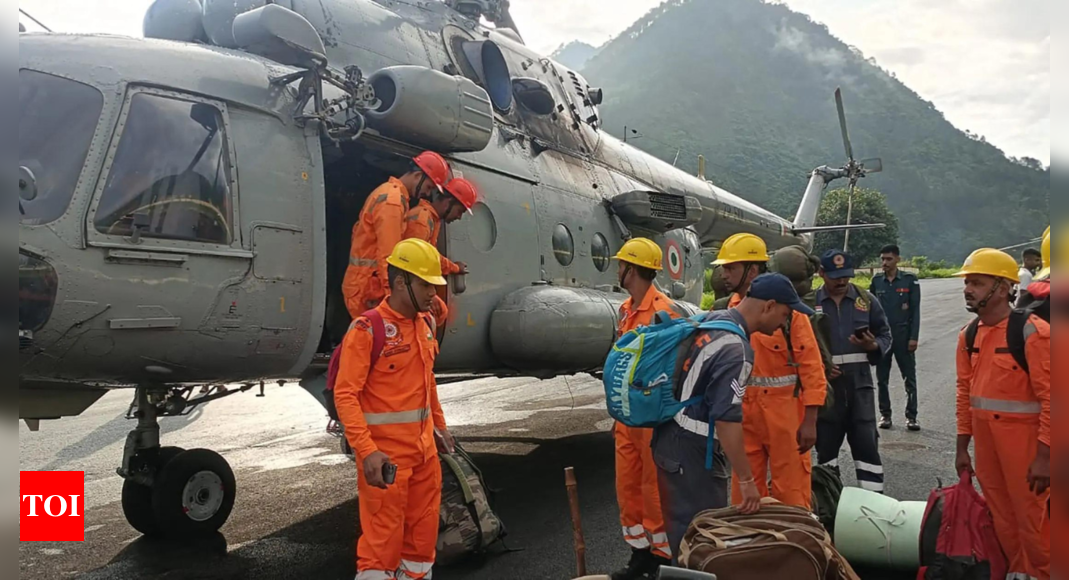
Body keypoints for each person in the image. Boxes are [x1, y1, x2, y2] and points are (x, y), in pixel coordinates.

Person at [654, 273, 814, 562]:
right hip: (693, 450)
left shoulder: (713, 320)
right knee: (702, 538)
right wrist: (746, 479)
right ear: (769, 305)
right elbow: (726, 418)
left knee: (683, 533)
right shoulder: (736, 348)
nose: (784, 322)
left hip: (670, 440)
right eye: (785, 313)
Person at [334, 239, 456, 580]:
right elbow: (346, 396)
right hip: (385, 461)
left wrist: (441, 427)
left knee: (420, 548)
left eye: (435, 285)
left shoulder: (425, 325)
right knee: (380, 551)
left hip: (425, 457)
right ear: (401, 282)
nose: (434, 293)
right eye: (426, 285)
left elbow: (427, 381)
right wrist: (367, 451)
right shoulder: (366, 329)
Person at [954, 248, 1050, 580]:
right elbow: (964, 394)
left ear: (1004, 287)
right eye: (967, 283)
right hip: (987, 444)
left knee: (1035, 519)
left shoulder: (1032, 333)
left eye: (977, 283)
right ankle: (1019, 572)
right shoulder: (968, 336)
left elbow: (1054, 399)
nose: (968, 289)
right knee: (1001, 515)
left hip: (1025, 445)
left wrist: (1046, 456)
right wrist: (961, 447)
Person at [713, 234, 826, 510]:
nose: (724, 275)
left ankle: (794, 544)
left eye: (731, 268)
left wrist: (810, 419)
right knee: (745, 490)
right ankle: (753, 545)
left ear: (752, 269)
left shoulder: (790, 313)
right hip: (743, 413)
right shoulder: (727, 312)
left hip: (785, 414)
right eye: (724, 268)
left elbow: (812, 366)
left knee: (792, 490)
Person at [609, 238, 680, 580]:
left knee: (654, 489)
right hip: (626, 417)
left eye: (621, 264)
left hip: (651, 418)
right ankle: (638, 553)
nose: (617, 269)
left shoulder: (665, 311)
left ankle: (662, 556)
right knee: (628, 487)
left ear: (631, 269)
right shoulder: (625, 311)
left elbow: (679, 365)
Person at [814, 250, 893, 494]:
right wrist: (820, 370)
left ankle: (873, 503)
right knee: (826, 451)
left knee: (866, 447)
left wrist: (873, 346)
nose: (841, 282)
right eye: (836, 277)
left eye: (846, 277)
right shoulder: (811, 304)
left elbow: (886, 335)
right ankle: (830, 504)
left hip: (860, 389)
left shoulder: (866, 301)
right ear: (822, 273)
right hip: (827, 392)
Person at [342, 152, 452, 318]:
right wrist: (392, 298)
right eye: (428, 187)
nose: (427, 193)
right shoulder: (392, 202)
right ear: (417, 176)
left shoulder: (392, 195)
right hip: (368, 289)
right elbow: (389, 254)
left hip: (365, 285)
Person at [403, 176, 478, 329]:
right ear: (448, 202)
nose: (458, 217)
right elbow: (412, 264)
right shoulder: (422, 221)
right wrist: (428, 293)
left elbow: (430, 257)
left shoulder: (431, 219)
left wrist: (455, 268)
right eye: (459, 211)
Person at [871, 244, 922, 432]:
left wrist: (913, 337)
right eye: (882, 259)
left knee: (909, 378)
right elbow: (870, 311)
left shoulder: (909, 281)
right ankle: (885, 414)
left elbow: (915, 311)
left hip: (903, 335)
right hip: (883, 338)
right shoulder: (876, 281)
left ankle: (912, 417)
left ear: (897, 259)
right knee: (881, 379)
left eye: (889, 259)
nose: (885, 262)